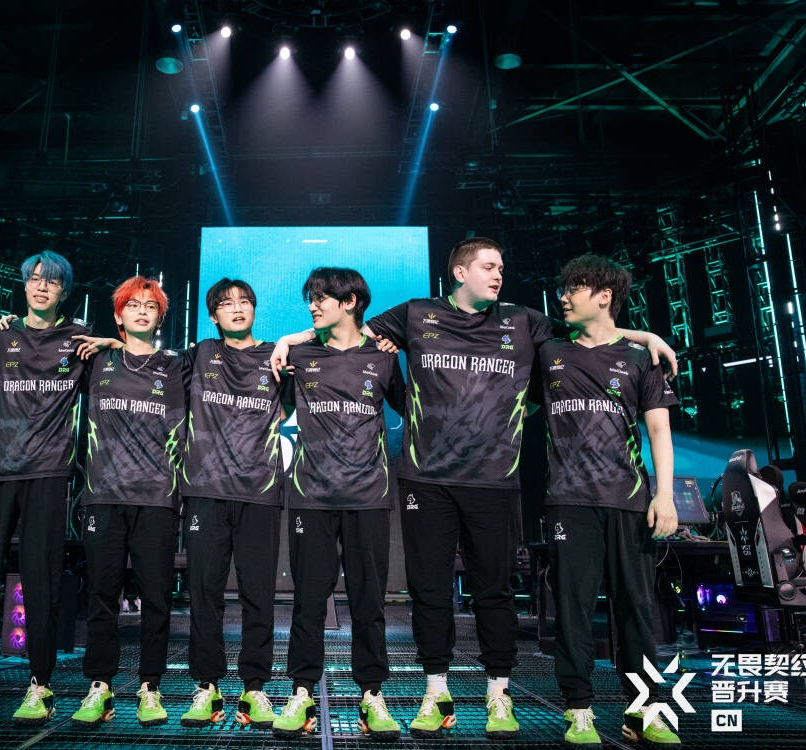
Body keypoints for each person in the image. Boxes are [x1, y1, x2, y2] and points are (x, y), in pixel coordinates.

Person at [270, 237, 676, 739]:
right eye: (488, 266)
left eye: (501, 267)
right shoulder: (415, 315)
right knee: (430, 592)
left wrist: (646, 335)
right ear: (460, 273)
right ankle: (436, 694)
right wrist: (289, 338)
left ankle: (499, 694)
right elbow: (346, 328)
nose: (498, 274)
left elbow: (594, 331)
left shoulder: (525, 322)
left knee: (495, 593)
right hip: (426, 481)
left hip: (495, 481)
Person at [538, 254, 680, 746]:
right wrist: (647, 332)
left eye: (573, 288)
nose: (563, 296)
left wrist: (665, 495)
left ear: (604, 296)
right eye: (563, 287)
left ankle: (644, 711)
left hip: (629, 500)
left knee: (636, 611)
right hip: (567, 501)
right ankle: (578, 709)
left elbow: (658, 430)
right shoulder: (548, 351)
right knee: (572, 610)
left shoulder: (642, 360)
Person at [0, 251, 90, 725]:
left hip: (48, 473)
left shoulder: (79, 338)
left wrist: (108, 340)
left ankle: (40, 685)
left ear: (63, 291)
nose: (42, 287)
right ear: (24, 285)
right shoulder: (2, 335)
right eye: (35, 279)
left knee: (41, 578)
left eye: (52, 281)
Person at [271, 267, 406, 741]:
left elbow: (413, 411)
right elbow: (279, 408)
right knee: (308, 602)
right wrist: (287, 340)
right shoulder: (298, 356)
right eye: (310, 298)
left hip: (368, 498)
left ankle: (372, 695)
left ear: (350, 302)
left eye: (321, 298)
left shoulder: (383, 357)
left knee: (369, 602)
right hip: (310, 497)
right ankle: (301, 692)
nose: (312, 305)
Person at [71, 276, 188, 729]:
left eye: (150, 306)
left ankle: (150, 686)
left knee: (156, 597)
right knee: (102, 594)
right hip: (103, 496)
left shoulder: (177, 365)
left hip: (157, 497)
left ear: (161, 318)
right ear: (119, 315)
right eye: (133, 305)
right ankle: (99, 685)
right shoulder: (95, 361)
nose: (142, 311)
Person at [176, 279, 284, 729]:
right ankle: (207, 686)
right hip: (205, 491)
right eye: (226, 304)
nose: (237, 308)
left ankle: (254, 688)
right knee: (205, 594)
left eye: (244, 302)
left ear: (254, 310)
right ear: (213, 316)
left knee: (259, 595)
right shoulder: (200, 354)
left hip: (260, 491)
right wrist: (110, 342)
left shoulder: (278, 357)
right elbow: (145, 361)